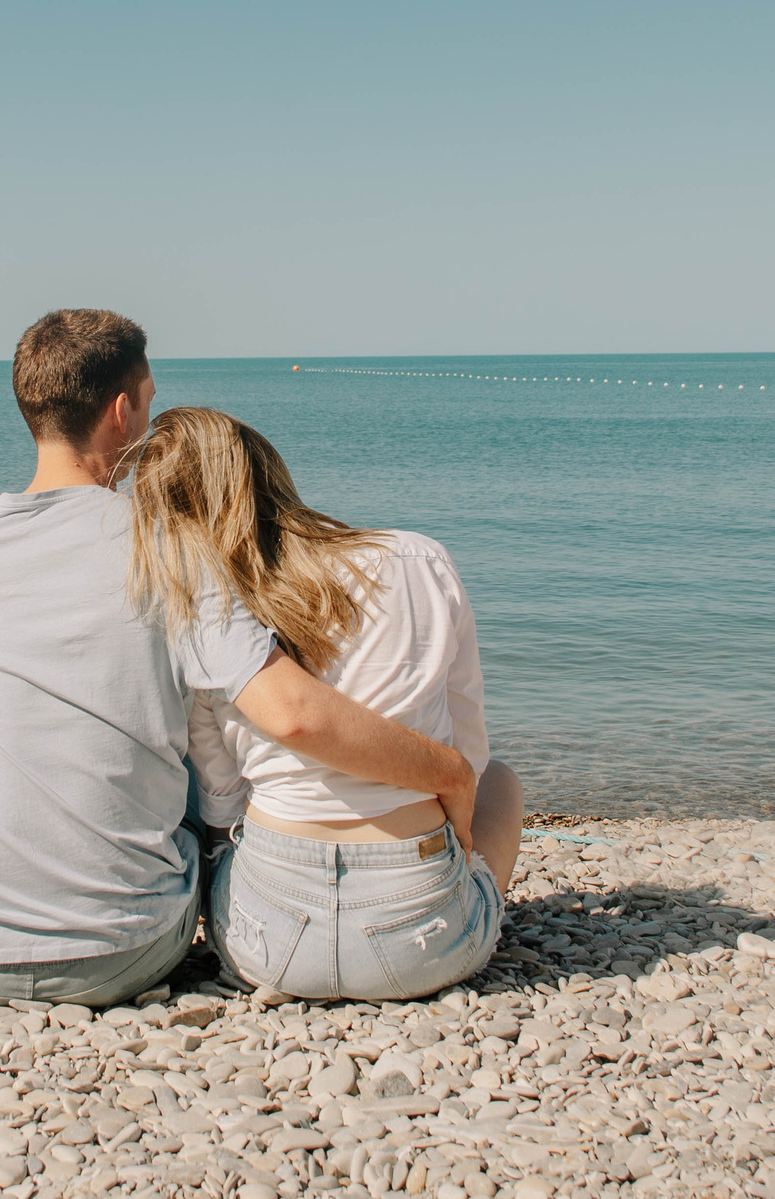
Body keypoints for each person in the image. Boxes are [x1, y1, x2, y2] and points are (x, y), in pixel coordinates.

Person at [0, 310, 479, 1007]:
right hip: (131, 948)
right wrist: (449, 771)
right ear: (123, 410)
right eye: (150, 396)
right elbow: (286, 711)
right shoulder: (171, 549)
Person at [131, 406, 525, 1000]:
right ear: (270, 474)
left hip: (272, 942)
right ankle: (466, 894)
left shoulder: (206, 610)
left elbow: (221, 798)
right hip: (422, 938)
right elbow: (466, 744)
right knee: (500, 780)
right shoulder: (418, 560)